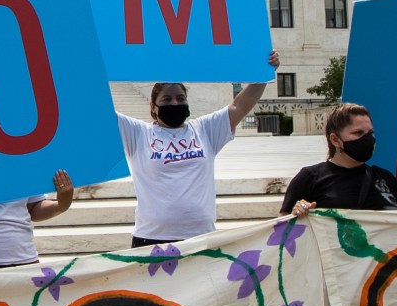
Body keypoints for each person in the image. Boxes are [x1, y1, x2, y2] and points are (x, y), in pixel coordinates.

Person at [117, 51, 277, 248]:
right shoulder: (138, 133)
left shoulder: (205, 129)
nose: (174, 103)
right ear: (153, 106)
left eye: (180, 98)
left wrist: (263, 73)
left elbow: (239, 106)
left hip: (201, 237)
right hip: (151, 238)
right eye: (166, 99)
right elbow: (101, 109)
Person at [283, 102, 397, 215]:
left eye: (370, 133)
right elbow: (280, 234)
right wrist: (297, 214)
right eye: (358, 133)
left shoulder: (385, 178)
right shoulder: (310, 178)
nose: (368, 139)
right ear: (335, 139)